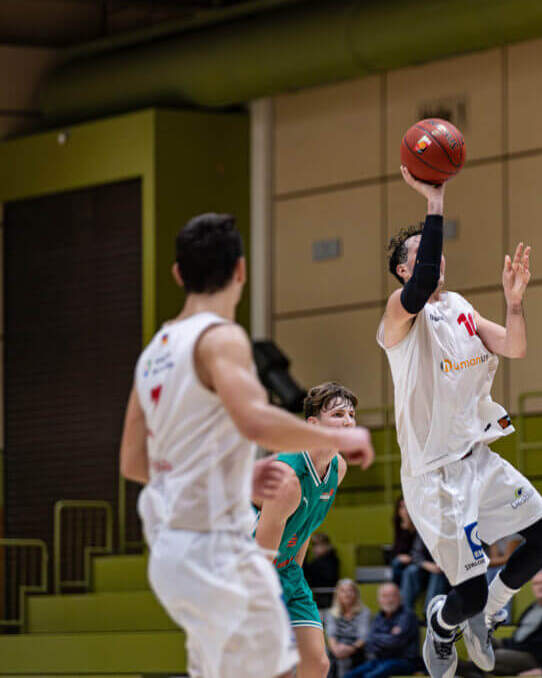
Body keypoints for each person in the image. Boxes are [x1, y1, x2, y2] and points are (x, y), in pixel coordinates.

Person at [118, 212, 374, 678]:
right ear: (241, 270)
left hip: (171, 554)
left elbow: (133, 462)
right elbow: (257, 422)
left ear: (178, 274)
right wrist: (338, 436)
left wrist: (234, 479)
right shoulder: (221, 337)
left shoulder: (153, 352)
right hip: (221, 550)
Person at [377, 167, 542, 678]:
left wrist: (513, 303)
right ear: (402, 271)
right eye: (421, 256)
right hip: (435, 477)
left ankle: (491, 608)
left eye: (437, 253)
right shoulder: (399, 316)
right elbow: (418, 289)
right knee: (466, 591)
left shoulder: (460, 306)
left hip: (477, 460)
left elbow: (516, 345)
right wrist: (435, 202)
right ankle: (442, 624)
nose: (435, 261)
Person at [254, 382, 360, 678]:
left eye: (351, 414)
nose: (349, 421)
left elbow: (306, 525)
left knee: (318, 664)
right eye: (338, 414)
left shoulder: (337, 468)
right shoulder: (288, 479)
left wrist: (294, 576)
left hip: (285, 568)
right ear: (313, 424)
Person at [459, 568, 542, 678]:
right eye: (537, 583)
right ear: (532, 587)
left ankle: (464, 668)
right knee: (479, 640)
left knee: (497, 656)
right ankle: (472, 671)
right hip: (516, 646)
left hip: (534, 656)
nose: (541, 587)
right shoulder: (533, 607)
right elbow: (519, 635)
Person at [344, 583, 420, 678]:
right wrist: (388, 637)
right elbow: (369, 642)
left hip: (405, 661)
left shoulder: (408, 615)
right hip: (381, 660)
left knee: (370, 676)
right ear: (379, 600)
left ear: (400, 598)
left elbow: (394, 642)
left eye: (393, 595)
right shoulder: (378, 617)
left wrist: (378, 638)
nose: (389, 600)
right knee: (349, 676)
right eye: (385, 596)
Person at [326, 579, 372, 678]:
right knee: (326, 654)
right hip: (337, 648)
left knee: (343, 660)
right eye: (343, 591)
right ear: (337, 594)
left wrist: (350, 649)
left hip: (358, 648)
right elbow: (331, 634)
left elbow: (363, 637)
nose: (347, 594)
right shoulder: (331, 613)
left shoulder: (364, 612)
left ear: (356, 594)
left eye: (350, 590)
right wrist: (336, 649)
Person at [399, 534, 448, 614]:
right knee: (410, 571)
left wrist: (441, 566)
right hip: (426, 568)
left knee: (437, 575)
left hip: (446, 570)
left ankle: (429, 613)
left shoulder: (451, 530)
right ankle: (405, 612)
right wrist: (426, 564)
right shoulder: (424, 527)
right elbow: (415, 554)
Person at [304, 533, 341, 613]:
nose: (315, 548)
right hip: (317, 596)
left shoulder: (331, 561)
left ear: (326, 545)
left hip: (326, 597)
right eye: (314, 545)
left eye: (319, 545)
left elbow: (328, 578)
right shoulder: (315, 561)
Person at [390, 498, 417, 585]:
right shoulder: (399, 526)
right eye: (401, 507)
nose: (404, 511)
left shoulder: (418, 526)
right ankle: (395, 590)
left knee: (408, 570)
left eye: (406, 507)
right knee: (396, 563)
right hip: (403, 560)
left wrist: (409, 526)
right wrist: (399, 556)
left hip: (416, 559)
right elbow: (396, 549)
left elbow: (418, 548)